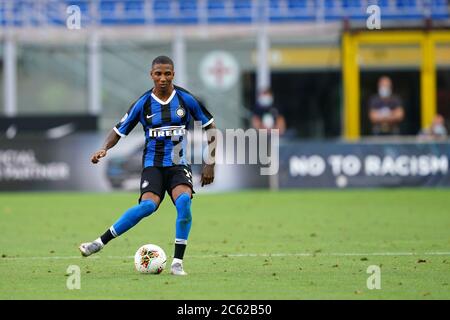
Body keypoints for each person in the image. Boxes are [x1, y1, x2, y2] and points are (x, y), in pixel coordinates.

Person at [79, 56, 216, 276]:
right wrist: (105, 148)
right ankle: (98, 242)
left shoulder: (185, 99)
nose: (163, 78)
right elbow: (118, 130)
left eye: (167, 73)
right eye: (158, 74)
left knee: (183, 203)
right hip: (152, 165)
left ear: (173, 74)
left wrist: (210, 163)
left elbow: (211, 128)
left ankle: (177, 263)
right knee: (147, 207)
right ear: (151, 75)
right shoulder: (143, 103)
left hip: (178, 165)